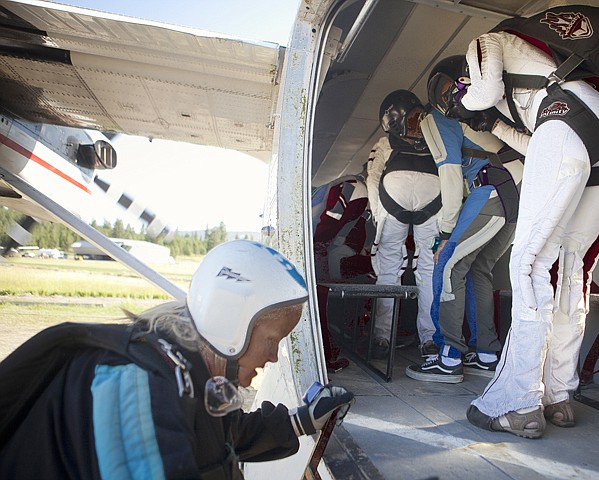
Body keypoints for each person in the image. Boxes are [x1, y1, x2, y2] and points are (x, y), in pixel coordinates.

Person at [0, 240, 355, 478]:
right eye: (272, 340)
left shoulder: (195, 375)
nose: (274, 356)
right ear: (231, 325)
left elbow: (224, 439)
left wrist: (302, 420)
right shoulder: (136, 388)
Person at [438, 31, 599, 438]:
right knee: (572, 266)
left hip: (566, 117)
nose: (457, 95)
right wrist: (492, 123)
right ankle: (559, 395)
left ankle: (516, 402)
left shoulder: (485, 42)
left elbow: (485, 88)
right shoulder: (538, 72)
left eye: (455, 87)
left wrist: (464, 104)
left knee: (528, 264)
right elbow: (537, 144)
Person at [405, 55, 524, 384]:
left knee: (448, 264)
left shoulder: (436, 118)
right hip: (517, 195)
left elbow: (451, 179)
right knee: (478, 272)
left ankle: (448, 356)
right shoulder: (483, 115)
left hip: (489, 191)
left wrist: (443, 234)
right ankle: (486, 353)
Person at [366, 89, 441, 359]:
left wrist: (377, 213)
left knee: (390, 269)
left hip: (393, 200)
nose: (417, 123)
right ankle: (429, 339)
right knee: (429, 271)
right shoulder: (434, 137)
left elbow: (373, 178)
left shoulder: (385, 142)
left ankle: (383, 337)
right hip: (432, 199)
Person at [312, 163, 374, 371]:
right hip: (326, 251)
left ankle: (336, 342)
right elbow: (331, 219)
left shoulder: (353, 186)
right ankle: (326, 357)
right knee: (319, 306)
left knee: (321, 305)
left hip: (326, 250)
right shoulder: (355, 188)